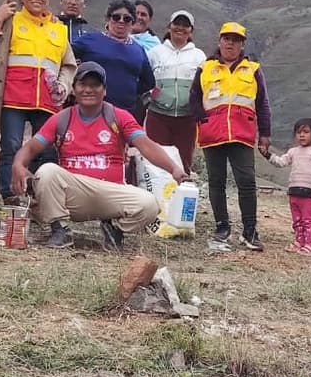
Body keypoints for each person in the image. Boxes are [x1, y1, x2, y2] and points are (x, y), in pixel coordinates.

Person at [10, 61, 186, 249]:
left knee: (149, 205)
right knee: (46, 172)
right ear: (74, 89)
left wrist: (174, 168)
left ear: (104, 90)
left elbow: (146, 146)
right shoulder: (61, 118)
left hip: (110, 192)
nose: (88, 90)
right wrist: (18, 165)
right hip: (74, 193)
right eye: (82, 85)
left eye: (94, 85)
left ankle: (114, 230)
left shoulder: (119, 116)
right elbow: (30, 148)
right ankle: (60, 229)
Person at [0, 0, 77, 204]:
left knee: (45, 151)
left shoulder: (58, 29)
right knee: (11, 146)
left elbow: (69, 64)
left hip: (48, 101)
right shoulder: (11, 20)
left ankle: (42, 196)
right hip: (13, 98)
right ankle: (11, 195)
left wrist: (64, 86)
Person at [190, 22, 272, 250]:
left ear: (242, 44)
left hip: (242, 135)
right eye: (227, 38)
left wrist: (265, 134)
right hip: (212, 135)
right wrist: (201, 119)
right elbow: (194, 97)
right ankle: (221, 227)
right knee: (216, 182)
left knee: (246, 182)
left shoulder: (253, 69)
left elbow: (262, 104)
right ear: (220, 41)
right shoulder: (205, 67)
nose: (230, 43)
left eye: (235, 39)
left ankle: (250, 230)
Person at [144, 10, 206, 172]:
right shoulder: (155, 52)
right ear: (169, 26)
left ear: (191, 30)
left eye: (186, 25)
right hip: (158, 117)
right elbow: (144, 81)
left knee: (183, 163)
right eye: (177, 23)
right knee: (156, 162)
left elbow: (204, 86)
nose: (180, 28)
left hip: (187, 119)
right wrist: (151, 97)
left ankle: (180, 195)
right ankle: (155, 195)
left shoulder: (199, 56)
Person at [72, 0, 156, 113]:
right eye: (116, 17)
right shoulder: (90, 40)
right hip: (90, 109)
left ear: (132, 22)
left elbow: (148, 82)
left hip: (125, 112)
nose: (121, 21)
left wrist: (129, 91)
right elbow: (65, 58)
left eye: (127, 19)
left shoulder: (138, 50)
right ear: (108, 18)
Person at [262, 118, 311, 254]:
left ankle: (309, 244)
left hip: (309, 192)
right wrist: (267, 154)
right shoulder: (293, 151)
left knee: (307, 219)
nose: (302, 135)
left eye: (306, 132)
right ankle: (299, 241)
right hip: (294, 190)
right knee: (296, 219)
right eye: (298, 132)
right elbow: (280, 162)